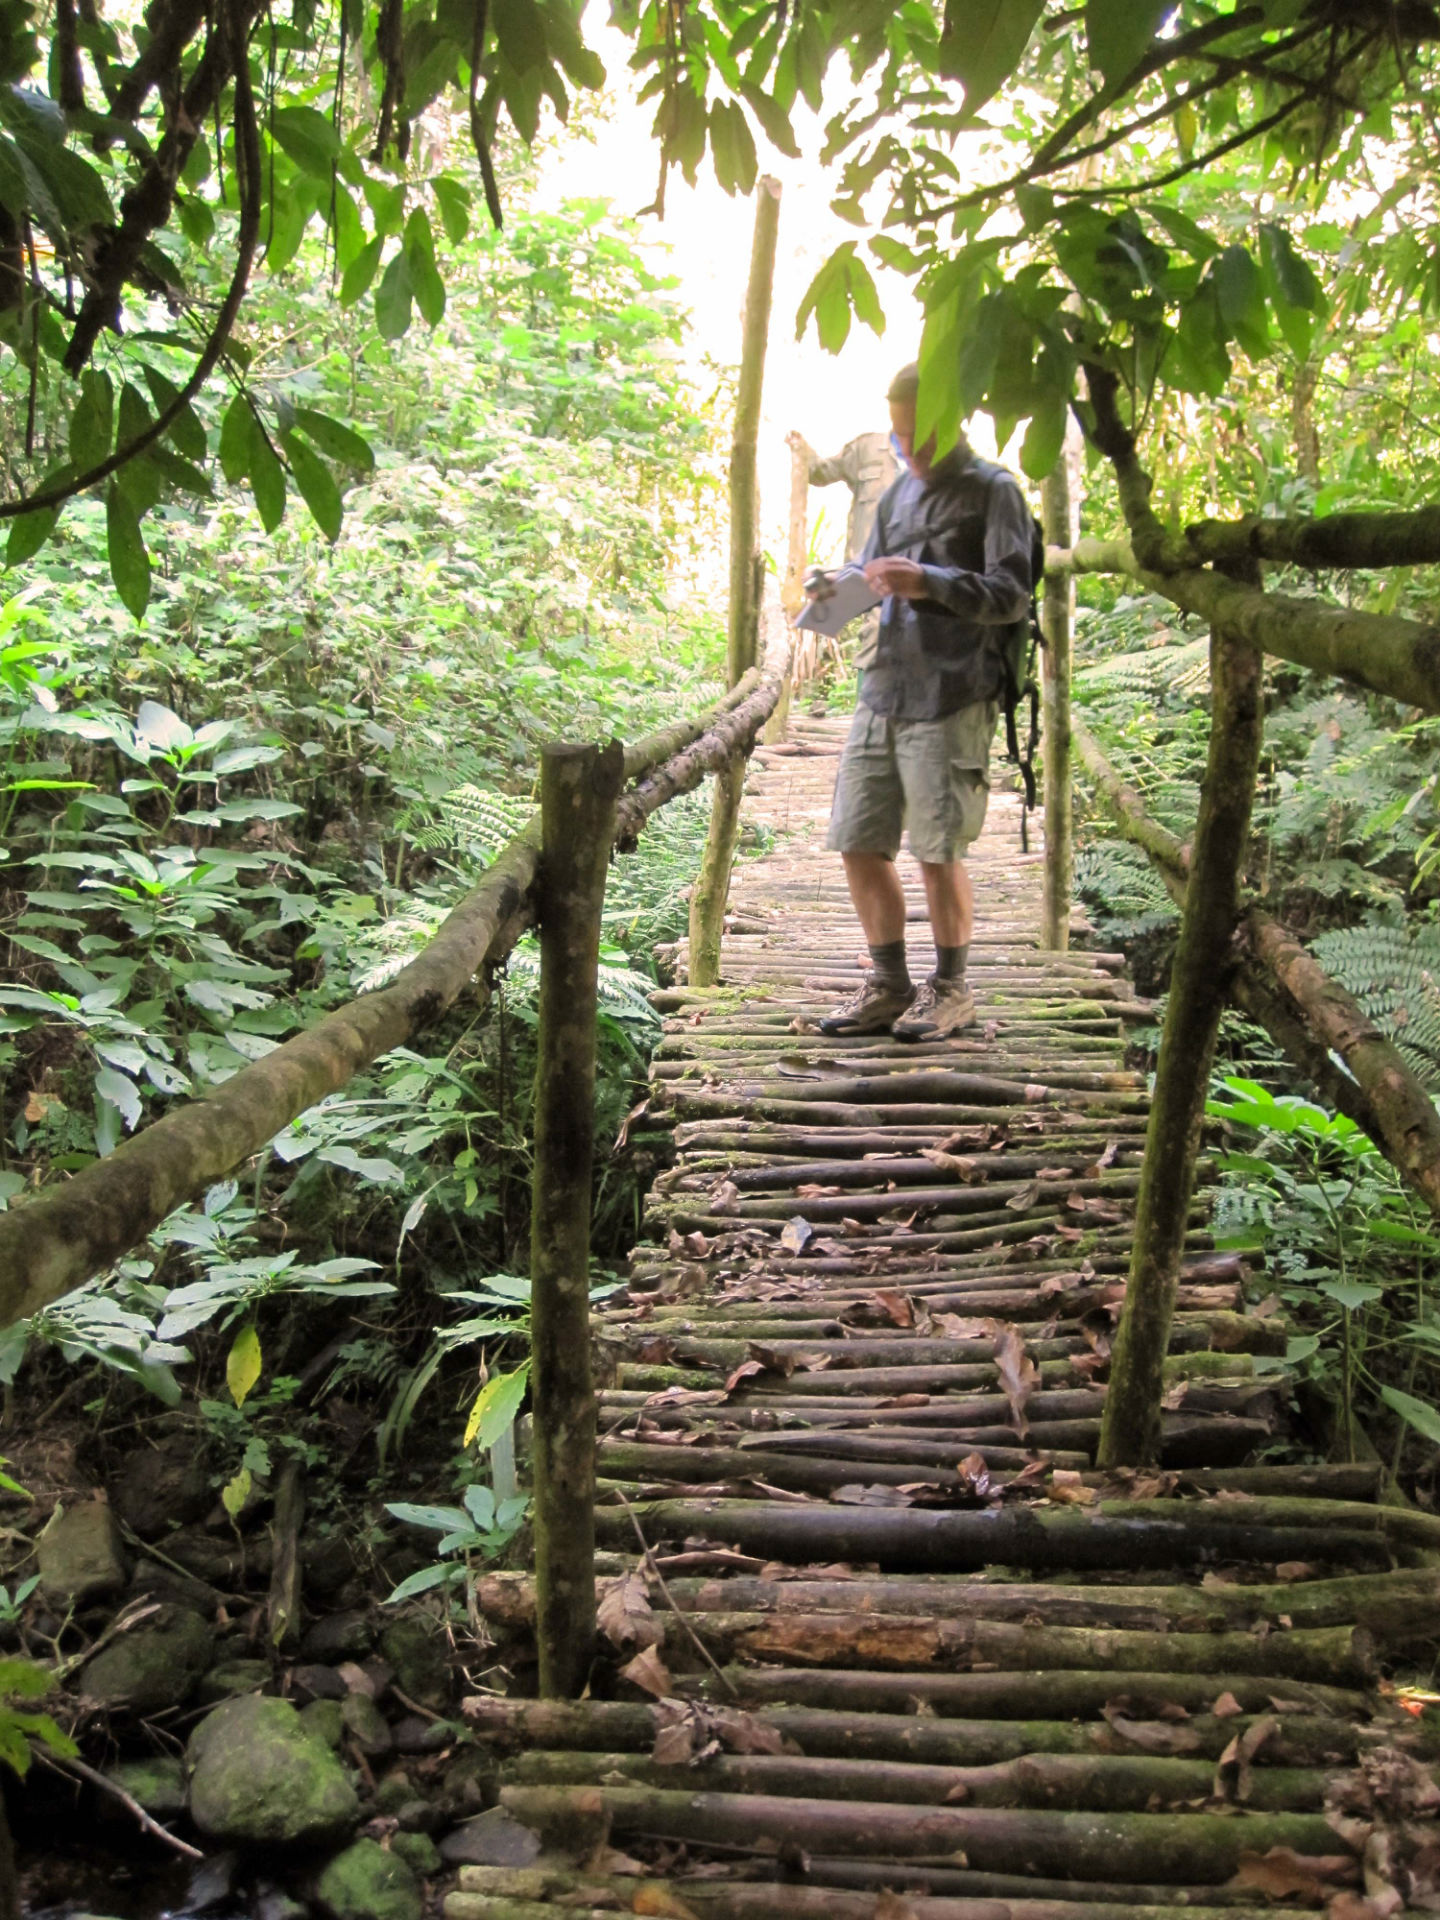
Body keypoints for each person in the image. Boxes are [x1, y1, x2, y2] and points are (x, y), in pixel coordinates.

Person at [815, 362, 1035, 1042]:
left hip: (953, 691)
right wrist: (836, 590)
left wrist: (931, 581)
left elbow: (1012, 595)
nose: (908, 451)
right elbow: (872, 576)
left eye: (919, 437)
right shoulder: (896, 496)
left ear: (952, 417)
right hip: (882, 686)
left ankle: (951, 991)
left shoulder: (996, 492)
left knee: (937, 849)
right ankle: (887, 986)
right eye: (900, 439)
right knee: (858, 840)